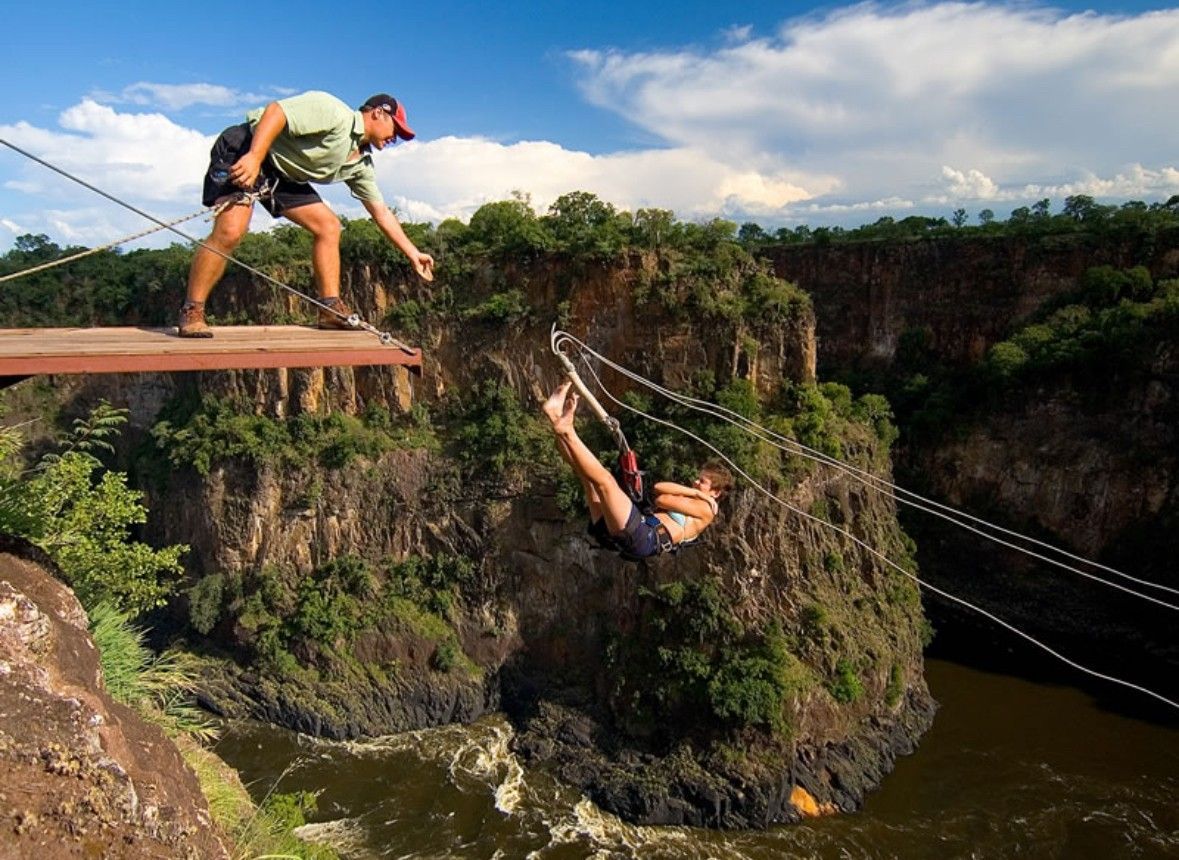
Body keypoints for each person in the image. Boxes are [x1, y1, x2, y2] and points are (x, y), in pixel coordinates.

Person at [178, 90, 435, 337]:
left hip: (283, 175)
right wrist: (255, 157)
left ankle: (329, 309)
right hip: (247, 147)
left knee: (329, 226)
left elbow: (381, 212)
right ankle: (192, 310)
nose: (395, 138)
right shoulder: (334, 112)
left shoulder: (361, 165)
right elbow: (276, 112)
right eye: (396, 129)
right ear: (378, 113)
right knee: (231, 230)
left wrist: (413, 253)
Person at [542, 381, 732, 558]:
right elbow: (659, 487)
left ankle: (567, 431)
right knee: (588, 480)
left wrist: (700, 497)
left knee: (606, 482)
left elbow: (662, 499)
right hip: (628, 532)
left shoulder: (706, 509)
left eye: (703, 482)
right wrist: (695, 492)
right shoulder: (696, 498)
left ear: (715, 492)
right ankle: (554, 415)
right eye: (698, 479)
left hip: (644, 536)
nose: (696, 482)